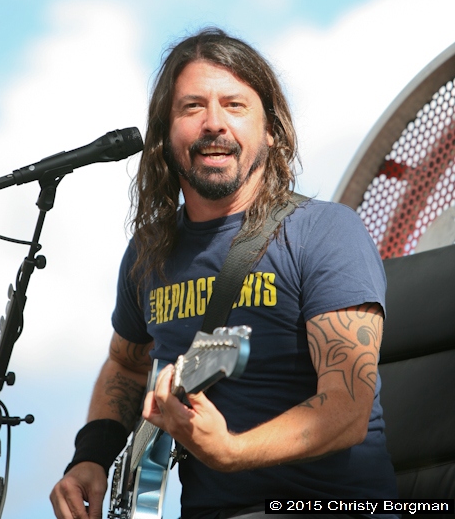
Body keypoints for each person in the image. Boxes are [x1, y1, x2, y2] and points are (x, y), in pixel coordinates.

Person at [50, 28, 398, 519]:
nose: (213, 123)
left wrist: (232, 451)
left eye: (235, 105)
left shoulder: (324, 232)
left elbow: (347, 408)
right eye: (192, 107)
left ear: (270, 130)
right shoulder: (149, 253)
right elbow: (126, 364)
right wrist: (91, 458)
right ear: (165, 135)